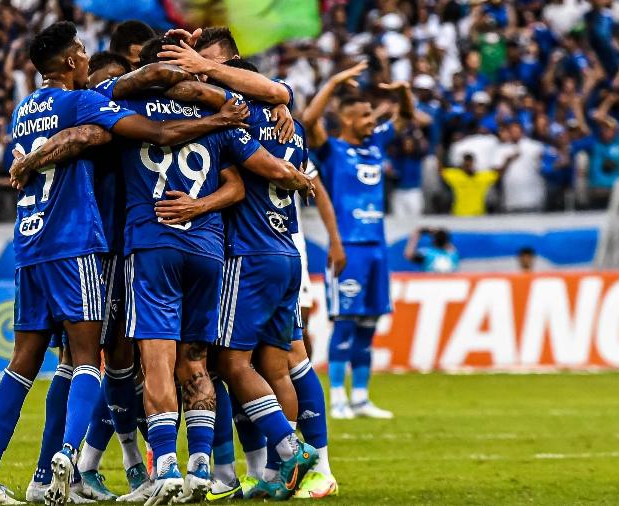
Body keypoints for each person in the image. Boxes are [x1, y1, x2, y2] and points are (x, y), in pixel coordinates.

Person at [0, 21, 249, 506]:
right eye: (81, 51)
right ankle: (68, 462)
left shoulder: (22, 110)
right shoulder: (83, 102)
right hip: (77, 244)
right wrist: (217, 116)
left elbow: (102, 109)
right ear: (74, 62)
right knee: (86, 357)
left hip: (29, 245)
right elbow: (158, 130)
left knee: (26, 362)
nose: (85, 55)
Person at [161, 29, 342, 500]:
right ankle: (282, 472)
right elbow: (280, 101)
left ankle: (291, 454)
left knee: (228, 361)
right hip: (287, 253)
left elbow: (255, 168)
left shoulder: (234, 123)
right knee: (276, 366)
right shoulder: (290, 125)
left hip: (251, 255)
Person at [302, 59, 414, 421]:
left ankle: (362, 397)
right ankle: (337, 397)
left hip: (377, 248)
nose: (373, 121)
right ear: (348, 119)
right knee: (345, 322)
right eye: (366, 115)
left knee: (369, 324)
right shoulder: (332, 149)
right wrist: (333, 81)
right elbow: (308, 121)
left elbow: (405, 119)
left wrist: (404, 96)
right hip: (347, 246)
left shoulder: (374, 145)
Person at [441, 152, 515, 216]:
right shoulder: (456, 176)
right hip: (459, 214)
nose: (468, 165)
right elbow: (441, 171)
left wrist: (507, 162)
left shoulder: (481, 177)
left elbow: (499, 174)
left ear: (473, 163)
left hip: (478, 215)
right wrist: (438, 154)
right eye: (466, 164)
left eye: (470, 163)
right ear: (463, 164)